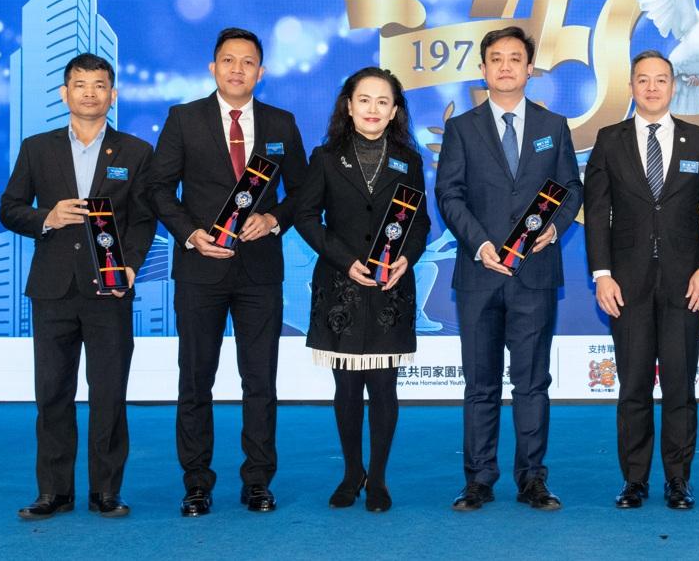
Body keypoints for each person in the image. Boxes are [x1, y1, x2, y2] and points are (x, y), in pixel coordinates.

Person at [148, 27, 307, 516]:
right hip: (200, 270)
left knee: (259, 380)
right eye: (228, 60)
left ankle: (257, 481)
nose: (238, 69)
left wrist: (275, 218)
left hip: (260, 272)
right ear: (213, 67)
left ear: (261, 71)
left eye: (248, 62)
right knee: (195, 380)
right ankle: (196, 482)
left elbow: (303, 192)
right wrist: (191, 234)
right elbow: (157, 189)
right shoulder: (184, 119)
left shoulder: (281, 122)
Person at [0, 53, 155, 520]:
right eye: (80, 84)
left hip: (109, 291)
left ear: (113, 93)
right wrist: (44, 217)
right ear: (64, 93)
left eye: (100, 84)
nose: (90, 92)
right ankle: (54, 492)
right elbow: (9, 207)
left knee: (109, 393)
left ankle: (106, 491)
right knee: (52, 393)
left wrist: (129, 267)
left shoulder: (135, 152)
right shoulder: (37, 148)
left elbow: (144, 219)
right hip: (52, 291)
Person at [435, 26, 583, 511]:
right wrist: (479, 244)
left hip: (535, 275)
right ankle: (479, 479)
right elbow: (448, 195)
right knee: (480, 384)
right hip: (480, 275)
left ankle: (532, 478)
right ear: (482, 69)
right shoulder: (461, 129)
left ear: (529, 68)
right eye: (495, 59)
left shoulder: (553, 127)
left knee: (532, 381)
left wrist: (556, 227)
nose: (504, 67)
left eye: (515, 59)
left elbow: (571, 189)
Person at [585, 50, 699, 510]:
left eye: (660, 80)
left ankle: (678, 479)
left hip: (686, 285)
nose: (651, 87)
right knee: (633, 387)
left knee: (682, 388)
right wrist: (602, 275)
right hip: (626, 285)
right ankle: (634, 480)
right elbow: (597, 214)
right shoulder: (609, 140)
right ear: (630, 86)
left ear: (673, 86)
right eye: (642, 80)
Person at [294, 67, 427, 513]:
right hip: (341, 288)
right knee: (348, 389)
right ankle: (353, 472)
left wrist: (407, 256)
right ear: (348, 106)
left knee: (385, 389)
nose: (373, 109)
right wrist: (343, 260)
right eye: (364, 100)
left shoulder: (409, 160)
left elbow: (420, 222)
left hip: (391, 288)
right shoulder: (326, 157)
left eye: (383, 102)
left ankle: (379, 479)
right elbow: (307, 217)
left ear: (395, 112)